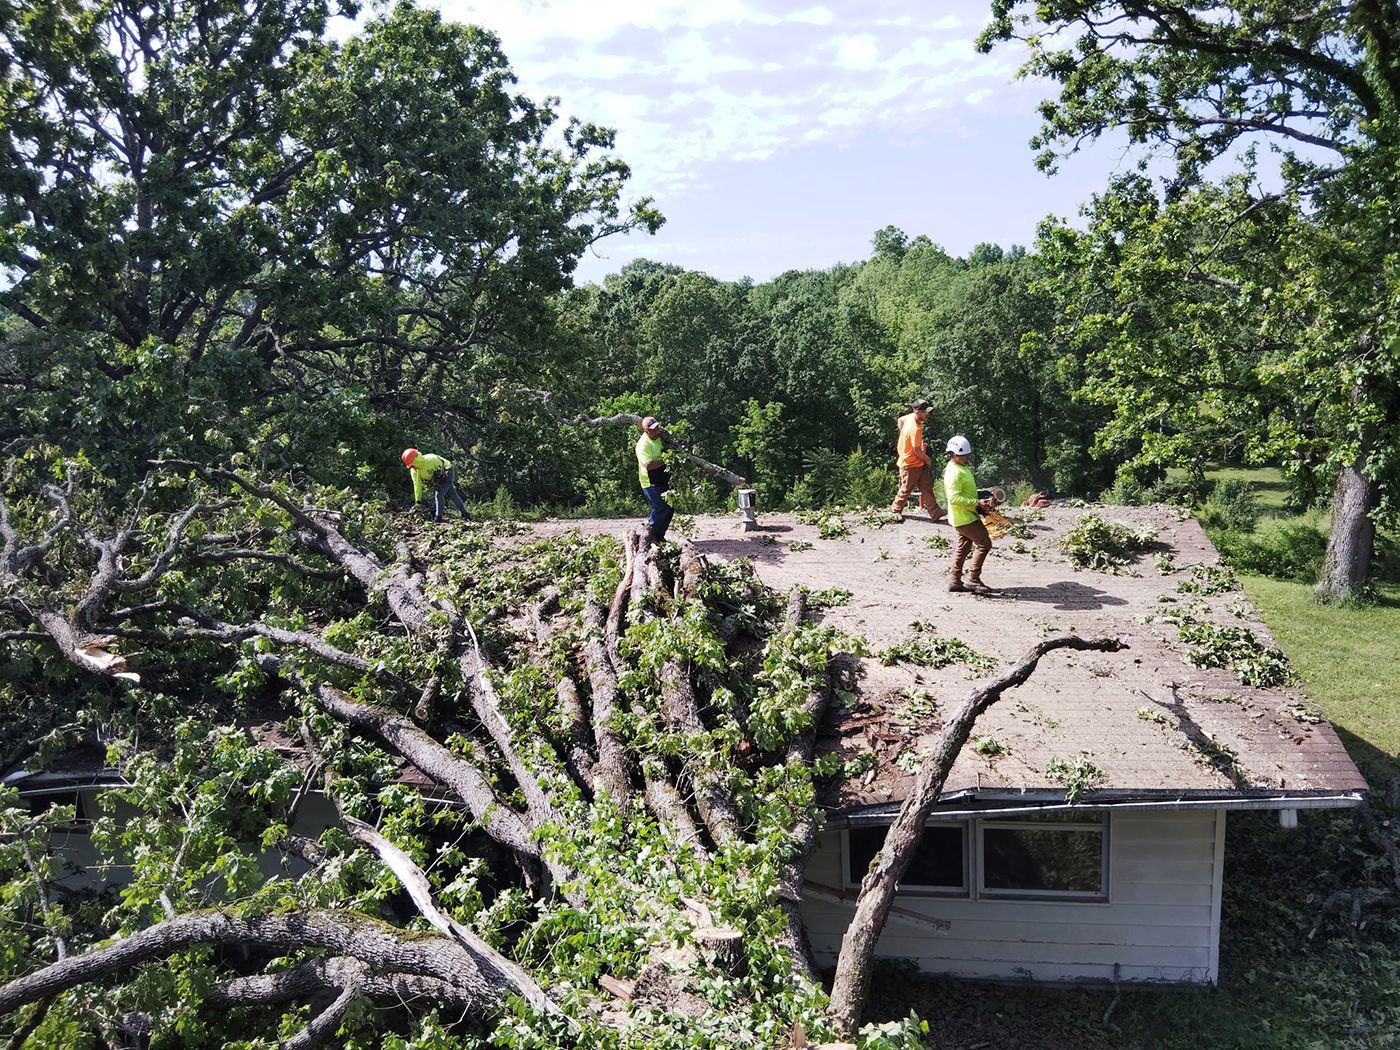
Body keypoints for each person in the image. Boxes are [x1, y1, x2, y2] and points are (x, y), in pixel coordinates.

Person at [943, 435, 998, 594]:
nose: (967, 457)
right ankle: (973, 579)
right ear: (953, 454)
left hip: (962, 516)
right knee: (984, 543)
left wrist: (980, 498)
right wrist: (977, 503)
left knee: (964, 546)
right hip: (964, 517)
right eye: (964, 455)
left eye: (967, 454)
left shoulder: (959, 467)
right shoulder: (954, 472)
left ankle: (954, 580)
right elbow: (953, 498)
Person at [889, 400, 945, 522]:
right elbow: (917, 450)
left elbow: (900, 421)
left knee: (926, 486)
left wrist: (903, 436)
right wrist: (927, 459)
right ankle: (895, 510)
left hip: (918, 462)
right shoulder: (915, 429)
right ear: (917, 411)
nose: (927, 414)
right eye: (925, 412)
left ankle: (935, 512)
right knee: (906, 489)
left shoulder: (909, 418)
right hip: (910, 463)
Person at [401, 448, 469, 522]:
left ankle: (438, 518)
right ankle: (466, 514)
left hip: (448, 472)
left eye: (412, 464)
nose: (412, 467)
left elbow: (446, 467)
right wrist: (418, 501)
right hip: (438, 479)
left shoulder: (431, 459)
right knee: (453, 495)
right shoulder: (414, 471)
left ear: (416, 460)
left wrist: (441, 476)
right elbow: (417, 485)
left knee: (439, 495)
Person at [635, 416, 674, 542]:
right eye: (653, 430)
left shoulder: (660, 437)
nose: (657, 431)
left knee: (670, 508)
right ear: (646, 431)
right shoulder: (643, 445)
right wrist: (667, 459)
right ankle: (648, 535)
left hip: (662, 478)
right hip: (650, 482)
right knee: (661, 507)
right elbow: (649, 465)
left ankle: (659, 537)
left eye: (657, 428)